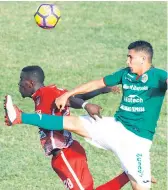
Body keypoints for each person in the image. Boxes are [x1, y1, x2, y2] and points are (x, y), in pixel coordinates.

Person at [4, 40, 163, 190]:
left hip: (137, 140)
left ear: (143, 59)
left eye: (131, 57)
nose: (127, 61)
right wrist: (69, 94)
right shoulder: (125, 73)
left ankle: (133, 175)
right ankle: (19, 117)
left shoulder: (158, 76)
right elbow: (97, 83)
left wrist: (81, 103)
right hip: (116, 127)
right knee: (72, 122)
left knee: (140, 187)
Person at [5, 65, 129, 190]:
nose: (19, 83)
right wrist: (101, 90)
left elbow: (69, 100)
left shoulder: (46, 93)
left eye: (21, 79)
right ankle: (128, 175)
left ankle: (18, 117)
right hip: (65, 156)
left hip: (67, 155)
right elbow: (76, 98)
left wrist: (86, 105)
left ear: (30, 83)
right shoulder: (42, 95)